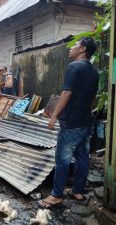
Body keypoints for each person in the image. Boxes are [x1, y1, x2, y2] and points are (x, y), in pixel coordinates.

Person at [38, 37, 99, 209]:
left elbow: (66, 93)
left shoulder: (73, 67)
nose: (70, 48)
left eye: (75, 45)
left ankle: (56, 195)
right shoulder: (94, 72)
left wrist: (54, 116)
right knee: (82, 157)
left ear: (83, 49)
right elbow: (93, 99)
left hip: (71, 123)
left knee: (63, 159)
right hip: (86, 121)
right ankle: (77, 190)